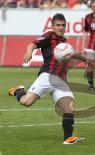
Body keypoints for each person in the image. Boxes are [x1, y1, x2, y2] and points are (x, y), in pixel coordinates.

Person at [8, 13, 86, 145]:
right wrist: (29, 52)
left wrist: (85, 59)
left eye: (63, 25)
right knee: (26, 102)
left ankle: (68, 138)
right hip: (47, 77)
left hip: (61, 81)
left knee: (69, 108)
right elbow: (32, 44)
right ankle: (18, 91)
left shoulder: (64, 42)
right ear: (53, 26)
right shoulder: (49, 36)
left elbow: (72, 54)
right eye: (58, 25)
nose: (60, 28)